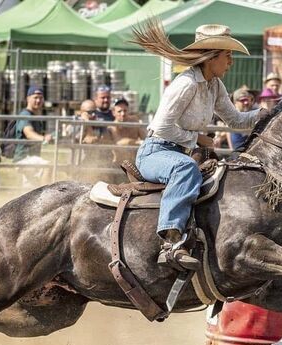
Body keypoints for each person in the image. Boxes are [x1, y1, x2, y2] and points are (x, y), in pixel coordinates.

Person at [131, 20, 264, 270]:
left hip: (179, 153)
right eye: (227, 55)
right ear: (211, 57)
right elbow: (161, 128)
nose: (231, 62)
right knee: (185, 169)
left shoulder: (214, 85)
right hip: (156, 152)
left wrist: (264, 114)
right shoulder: (187, 84)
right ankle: (171, 242)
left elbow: (235, 119)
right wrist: (198, 139)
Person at [14, 85, 52, 187]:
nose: (38, 100)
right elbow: (29, 133)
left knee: (29, 189)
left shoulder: (35, 116)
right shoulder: (25, 114)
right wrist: (43, 138)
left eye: (41, 98)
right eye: (35, 97)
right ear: (28, 99)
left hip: (32, 158)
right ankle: (46, 198)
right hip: (24, 158)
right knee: (47, 167)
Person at [107, 97, 146, 164]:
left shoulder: (134, 120)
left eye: (125, 110)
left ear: (128, 110)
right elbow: (119, 142)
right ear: (113, 112)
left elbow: (144, 137)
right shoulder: (112, 127)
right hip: (119, 163)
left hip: (136, 161)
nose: (123, 114)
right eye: (119, 111)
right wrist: (138, 142)